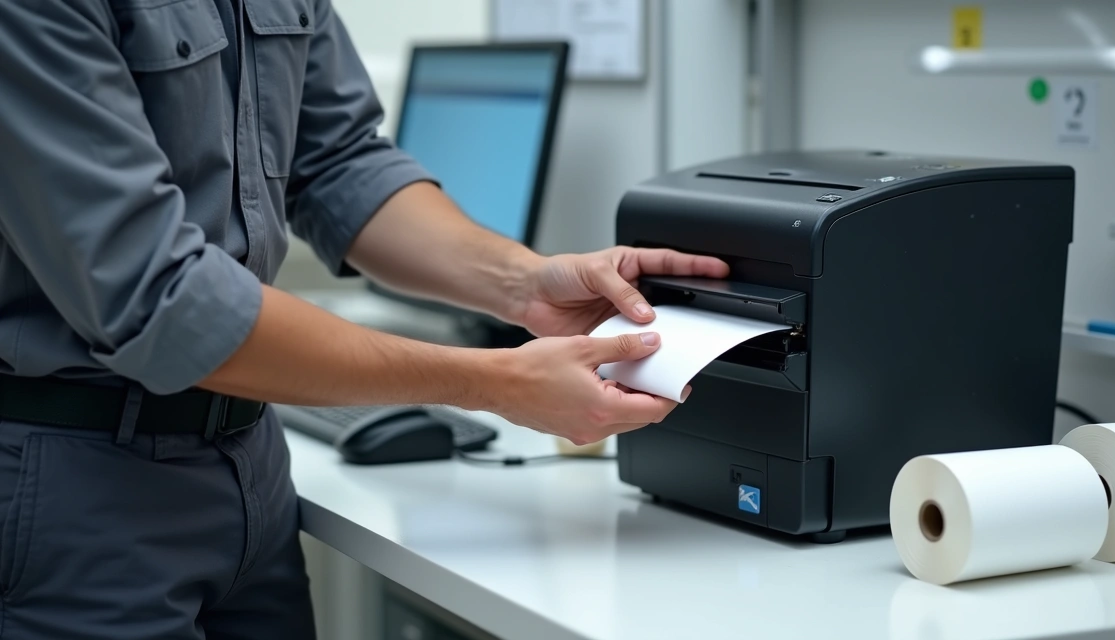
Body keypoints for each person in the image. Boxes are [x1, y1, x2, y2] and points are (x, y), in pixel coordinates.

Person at [0, 1, 727, 638]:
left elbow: (339, 164)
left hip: (249, 467)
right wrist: (493, 381)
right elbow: (162, 297)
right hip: (78, 481)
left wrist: (524, 283)